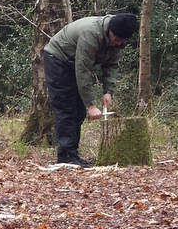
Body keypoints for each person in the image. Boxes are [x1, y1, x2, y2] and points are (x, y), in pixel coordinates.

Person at [43, 12, 137, 166]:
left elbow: (111, 65)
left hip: (74, 63)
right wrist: (91, 105)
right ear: (110, 31)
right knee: (67, 107)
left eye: (121, 41)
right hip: (58, 59)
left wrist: (108, 92)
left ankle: (72, 153)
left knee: (79, 110)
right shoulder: (91, 34)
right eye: (116, 39)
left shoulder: (118, 41)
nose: (118, 43)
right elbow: (83, 70)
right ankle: (66, 156)